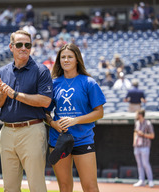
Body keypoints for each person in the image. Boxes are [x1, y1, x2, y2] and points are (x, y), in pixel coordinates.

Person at [0, 30, 53, 192]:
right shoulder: (1, 73)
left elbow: (45, 101)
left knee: (36, 185)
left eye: (28, 45)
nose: (24, 48)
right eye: (19, 44)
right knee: (10, 187)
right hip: (7, 131)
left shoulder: (41, 70)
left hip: (32, 129)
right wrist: (3, 94)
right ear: (11, 47)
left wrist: (15, 94)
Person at [45, 43, 106, 192]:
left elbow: (99, 112)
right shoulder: (53, 84)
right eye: (63, 57)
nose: (66, 60)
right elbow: (44, 113)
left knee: (90, 187)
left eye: (70, 57)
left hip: (83, 139)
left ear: (77, 59)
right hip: (58, 140)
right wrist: (53, 124)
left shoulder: (89, 83)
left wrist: (76, 120)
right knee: (64, 187)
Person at [133, 109, 155, 188]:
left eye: (137, 114)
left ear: (140, 115)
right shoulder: (137, 123)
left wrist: (143, 134)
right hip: (137, 147)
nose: (136, 115)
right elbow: (135, 133)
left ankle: (150, 181)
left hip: (145, 147)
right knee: (139, 164)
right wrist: (134, 143)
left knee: (146, 164)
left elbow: (152, 136)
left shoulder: (148, 123)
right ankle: (141, 180)